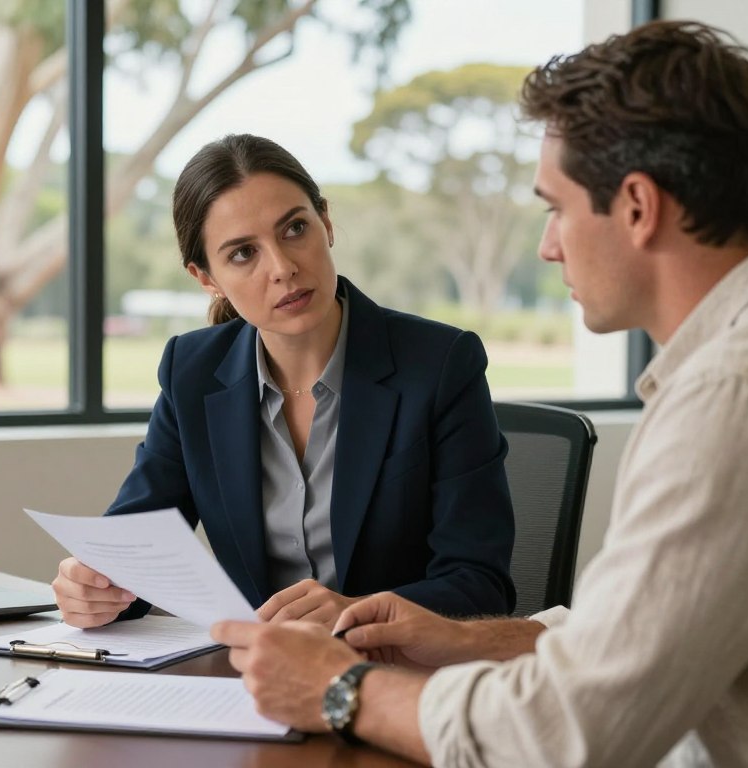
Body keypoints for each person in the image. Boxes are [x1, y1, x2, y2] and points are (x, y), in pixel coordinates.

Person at [212, 20, 748, 767]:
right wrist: (468, 640)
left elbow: (570, 732)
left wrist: (342, 688)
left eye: (555, 207)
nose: (547, 245)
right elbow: (650, 637)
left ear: (637, 207)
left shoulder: (738, 396)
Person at [52, 134, 516, 632]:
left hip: (395, 677)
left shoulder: (440, 365)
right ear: (204, 276)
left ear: (327, 223)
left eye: (295, 229)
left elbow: (479, 583)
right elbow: (135, 550)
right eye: (242, 254)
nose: (283, 267)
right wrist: (96, 586)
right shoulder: (192, 372)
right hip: (254, 682)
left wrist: (357, 612)